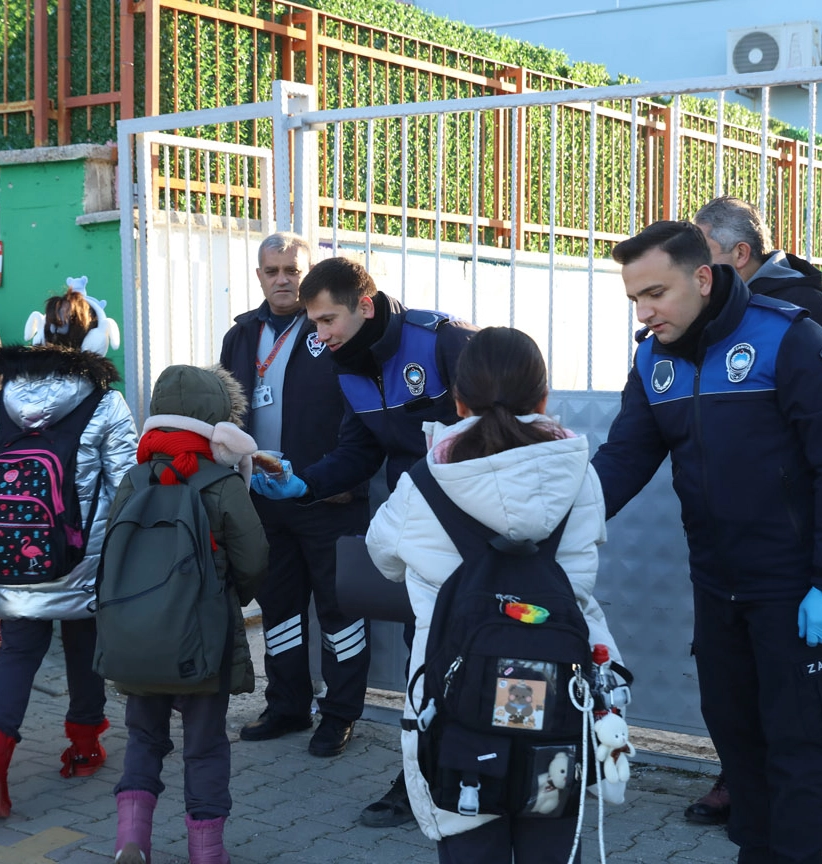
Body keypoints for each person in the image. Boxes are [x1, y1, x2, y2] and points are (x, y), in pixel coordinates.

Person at [592, 220, 822, 864]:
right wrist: (557, 524)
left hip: (791, 587)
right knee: (737, 735)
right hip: (717, 585)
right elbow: (624, 459)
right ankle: (757, 848)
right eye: (635, 298)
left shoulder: (787, 338)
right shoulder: (652, 358)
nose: (644, 311)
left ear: (702, 276)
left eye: (656, 293)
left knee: (799, 741)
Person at [365, 326, 622, 862]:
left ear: (458, 401)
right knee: (553, 839)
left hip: (457, 702)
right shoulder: (580, 475)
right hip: (562, 694)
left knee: (469, 840)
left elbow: (384, 556)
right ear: (544, 398)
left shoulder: (423, 483)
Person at [253, 255, 475, 827]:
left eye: (327, 321)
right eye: (314, 324)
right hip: (419, 536)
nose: (319, 336)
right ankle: (422, 776)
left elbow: (505, 426)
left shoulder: (443, 342)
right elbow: (359, 452)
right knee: (421, 654)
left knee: (475, 652)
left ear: (365, 306)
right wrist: (302, 483)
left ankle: (486, 772)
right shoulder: (346, 365)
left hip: (477, 533)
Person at [0, 285, 137, 818]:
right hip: (79, 558)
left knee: (17, 654)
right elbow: (126, 482)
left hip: (13, 553)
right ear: (97, 339)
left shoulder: (3, 400)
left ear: (38, 333)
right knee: (83, 650)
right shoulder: (105, 401)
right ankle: (85, 747)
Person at [219, 232, 371, 757]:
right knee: (279, 606)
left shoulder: (331, 328)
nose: (282, 279)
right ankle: (287, 704)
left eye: (292, 270)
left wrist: (341, 481)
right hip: (263, 500)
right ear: (258, 276)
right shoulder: (241, 336)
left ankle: (340, 714)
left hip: (328, 498)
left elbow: (362, 412)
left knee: (339, 609)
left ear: (307, 274)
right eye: (272, 270)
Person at [111, 364, 268, 864]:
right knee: (204, 746)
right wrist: (229, 596)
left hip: (138, 635)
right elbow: (255, 557)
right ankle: (206, 851)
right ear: (217, 418)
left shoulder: (134, 477)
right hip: (203, 639)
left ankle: (131, 839)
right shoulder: (220, 482)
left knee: (143, 737)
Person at [694, 195, 822, 321]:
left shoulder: (803, 308)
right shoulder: (724, 298)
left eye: (703, 253)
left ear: (741, 254)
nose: (695, 264)